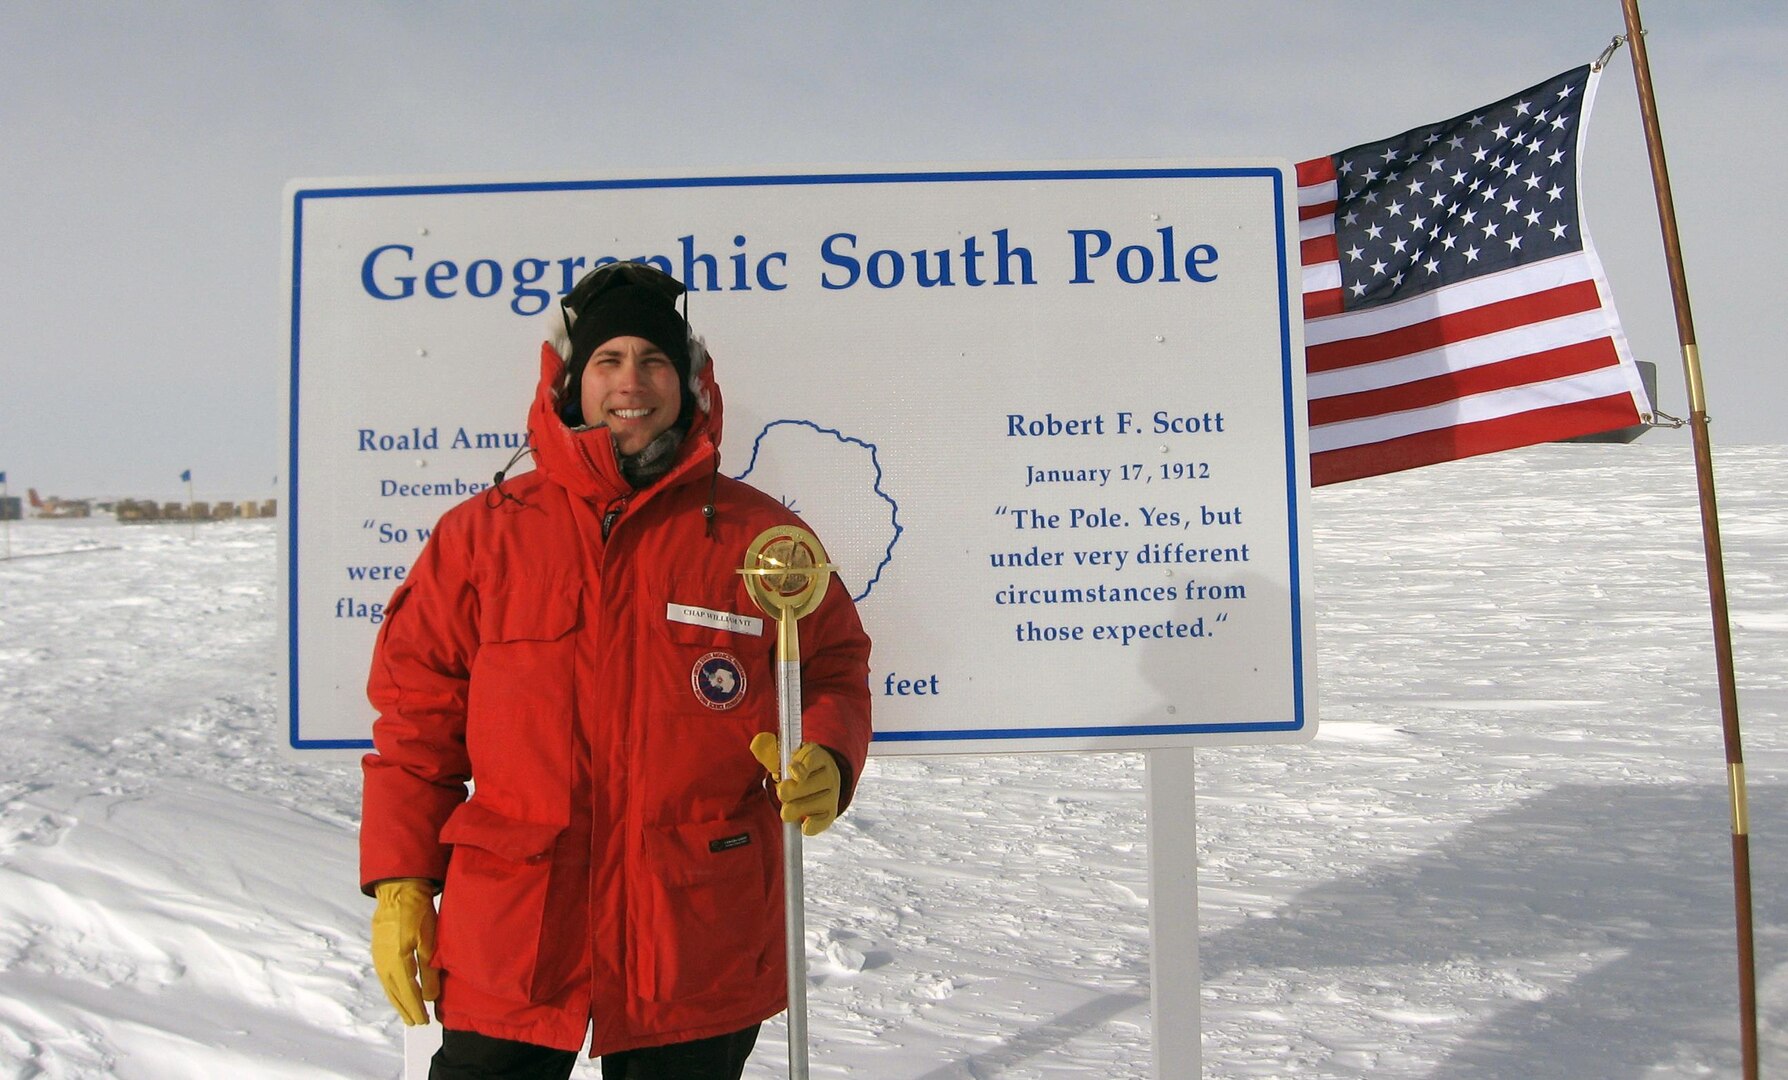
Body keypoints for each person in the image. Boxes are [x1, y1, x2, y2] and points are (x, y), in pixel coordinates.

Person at [358, 261, 873, 1080]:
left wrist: (830, 754)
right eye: (608, 360)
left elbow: (833, 668)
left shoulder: (756, 539)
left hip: (692, 939)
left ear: (689, 383)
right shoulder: (481, 537)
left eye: (655, 361)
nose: (631, 382)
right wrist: (401, 881)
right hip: (514, 934)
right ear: (571, 383)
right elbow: (417, 721)